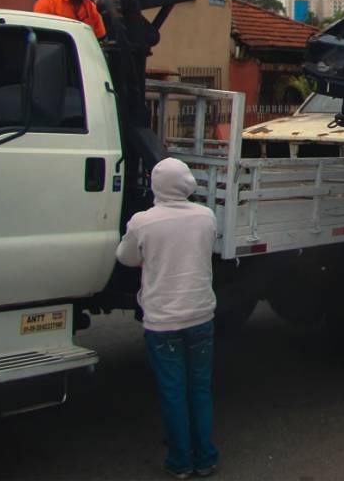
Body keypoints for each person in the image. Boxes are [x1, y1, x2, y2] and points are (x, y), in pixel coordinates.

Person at [116, 157, 219, 479]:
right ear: (187, 183)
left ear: (155, 186)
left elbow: (125, 257)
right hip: (201, 315)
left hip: (163, 322)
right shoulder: (206, 216)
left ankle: (180, 462)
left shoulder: (143, 222)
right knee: (199, 389)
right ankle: (206, 458)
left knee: (173, 390)